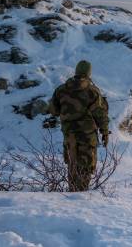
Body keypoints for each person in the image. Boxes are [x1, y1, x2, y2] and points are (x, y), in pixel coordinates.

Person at [48, 60, 110, 192]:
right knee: (86, 167)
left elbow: (53, 111)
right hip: (87, 136)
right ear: (89, 73)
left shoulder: (61, 90)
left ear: (76, 71)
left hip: (69, 135)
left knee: (72, 163)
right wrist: (104, 132)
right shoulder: (92, 91)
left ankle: (73, 193)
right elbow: (100, 114)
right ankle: (80, 196)